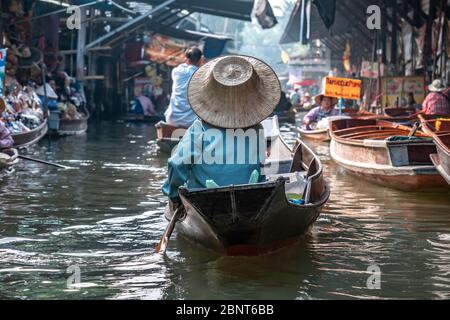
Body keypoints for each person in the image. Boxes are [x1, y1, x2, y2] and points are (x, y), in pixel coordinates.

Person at [162, 55, 280, 208]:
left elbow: (176, 165)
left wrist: (173, 195)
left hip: (205, 200)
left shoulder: (199, 128)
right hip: (249, 198)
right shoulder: (257, 129)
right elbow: (260, 167)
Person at [164, 47, 205, 128]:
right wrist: (201, 62)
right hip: (191, 122)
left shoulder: (176, 71)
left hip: (172, 119)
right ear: (200, 60)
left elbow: (185, 66)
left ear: (186, 59)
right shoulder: (201, 75)